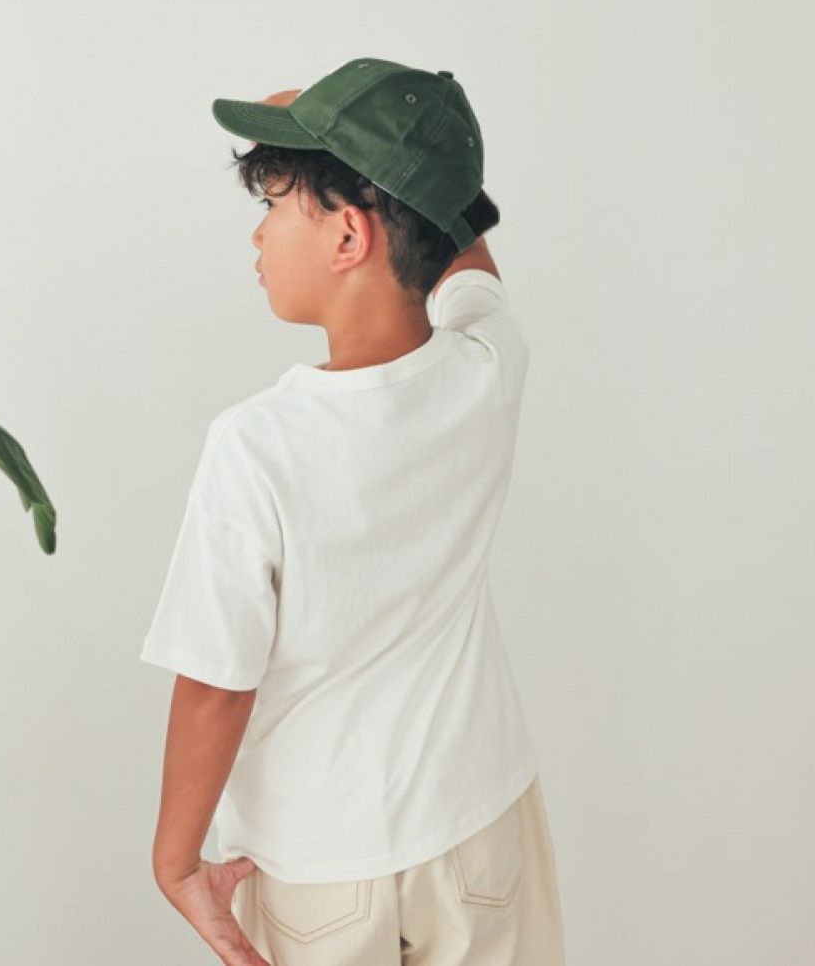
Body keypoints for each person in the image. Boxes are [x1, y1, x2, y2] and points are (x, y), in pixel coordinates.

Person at [139, 57, 565, 966]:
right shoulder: (488, 366)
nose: (257, 234)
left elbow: (217, 683)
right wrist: (393, 145)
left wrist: (177, 861)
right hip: (478, 827)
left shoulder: (257, 446)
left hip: (321, 868)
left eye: (272, 205)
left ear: (346, 235)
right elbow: (463, 242)